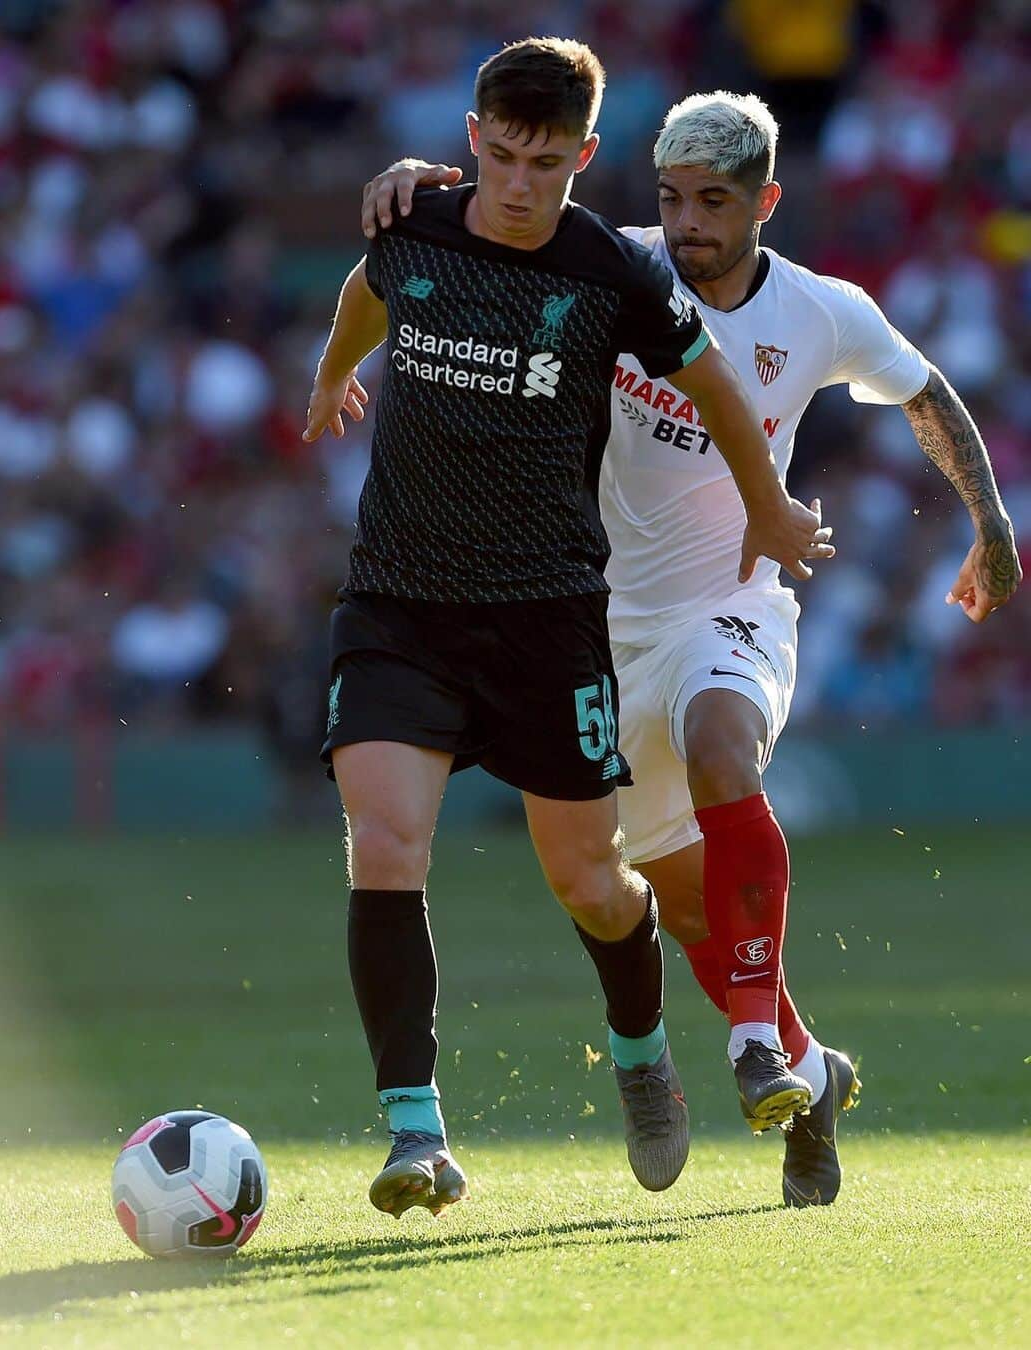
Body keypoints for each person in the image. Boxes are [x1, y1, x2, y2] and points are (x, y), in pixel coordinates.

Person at [359, 91, 1022, 1207]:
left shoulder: (822, 312)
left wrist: (990, 522)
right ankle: (810, 1075)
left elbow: (926, 394)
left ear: (766, 200)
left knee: (727, 747)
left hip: (736, 603)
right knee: (682, 909)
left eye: (715, 201)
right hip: (583, 626)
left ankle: (755, 1047)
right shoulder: (613, 268)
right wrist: (418, 180)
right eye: (673, 199)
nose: (691, 223)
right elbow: (490, 222)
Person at [304, 45, 831, 1220]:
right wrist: (335, 372)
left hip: (547, 621)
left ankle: (642, 1054)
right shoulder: (416, 225)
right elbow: (366, 291)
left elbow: (714, 393)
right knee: (385, 847)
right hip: (399, 607)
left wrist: (767, 505)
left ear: (585, 158)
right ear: (474, 134)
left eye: (547, 162)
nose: (518, 182)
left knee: (594, 880)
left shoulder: (612, 276)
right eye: (500, 154)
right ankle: (414, 1132)